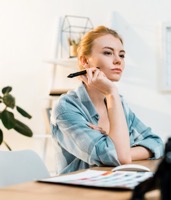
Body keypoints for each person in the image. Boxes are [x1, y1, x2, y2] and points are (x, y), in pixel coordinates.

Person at [50, 26, 164, 174]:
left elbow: (156, 143)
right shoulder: (66, 108)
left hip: (114, 182)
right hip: (78, 191)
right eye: (108, 53)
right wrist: (111, 92)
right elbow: (114, 157)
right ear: (85, 61)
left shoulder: (119, 103)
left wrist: (126, 154)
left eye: (122, 55)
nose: (118, 61)